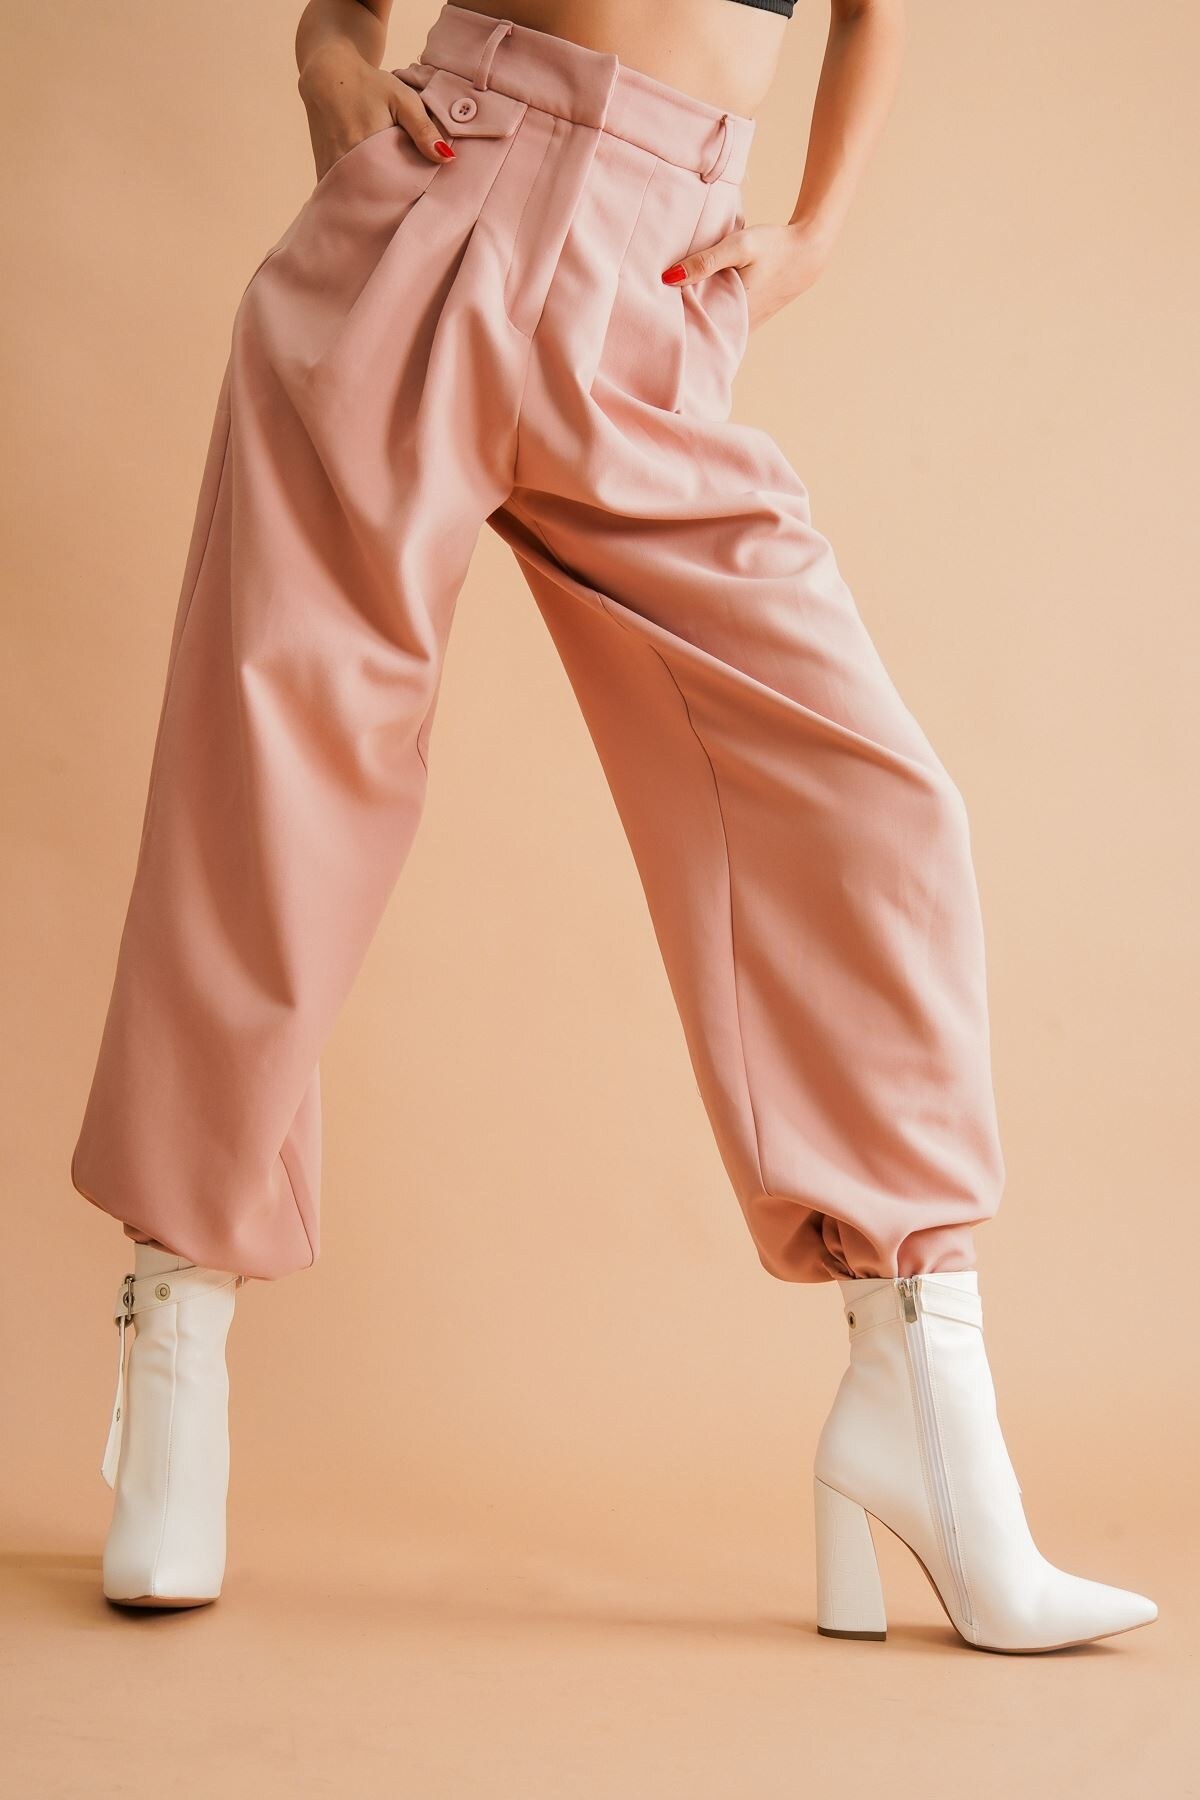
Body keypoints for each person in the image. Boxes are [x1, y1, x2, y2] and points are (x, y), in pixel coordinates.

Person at [74, 0, 1157, 1649]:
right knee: (271, 782)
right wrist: (330, 61)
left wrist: (817, 231)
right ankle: (174, 1357)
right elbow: (338, 17)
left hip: (654, 274)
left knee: (870, 799)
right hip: (439, 197)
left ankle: (920, 1406)